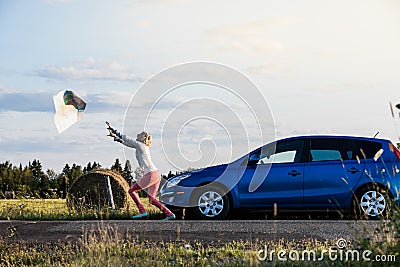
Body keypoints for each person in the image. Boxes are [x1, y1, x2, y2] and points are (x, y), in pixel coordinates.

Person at [106, 121, 175, 220]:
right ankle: (169, 214)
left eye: (139, 135)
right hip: (156, 174)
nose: (137, 136)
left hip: (151, 174)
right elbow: (127, 143)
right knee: (152, 199)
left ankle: (142, 211)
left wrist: (113, 130)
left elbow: (126, 138)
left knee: (132, 190)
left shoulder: (141, 145)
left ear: (143, 138)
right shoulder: (142, 147)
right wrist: (115, 137)